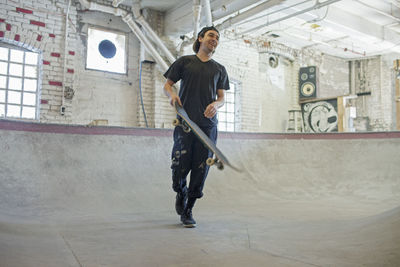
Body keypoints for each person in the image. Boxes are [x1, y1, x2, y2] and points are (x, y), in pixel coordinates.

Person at [163, 26, 230, 228]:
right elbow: (167, 85)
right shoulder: (185, 62)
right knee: (179, 166)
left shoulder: (219, 69)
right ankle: (180, 192)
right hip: (185, 123)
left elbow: (222, 98)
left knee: (200, 169)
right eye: (211, 35)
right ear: (200, 38)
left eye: (217, 38)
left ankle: (189, 209)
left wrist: (215, 105)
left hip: (208, 126)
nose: (214, 39)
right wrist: (172, 95)